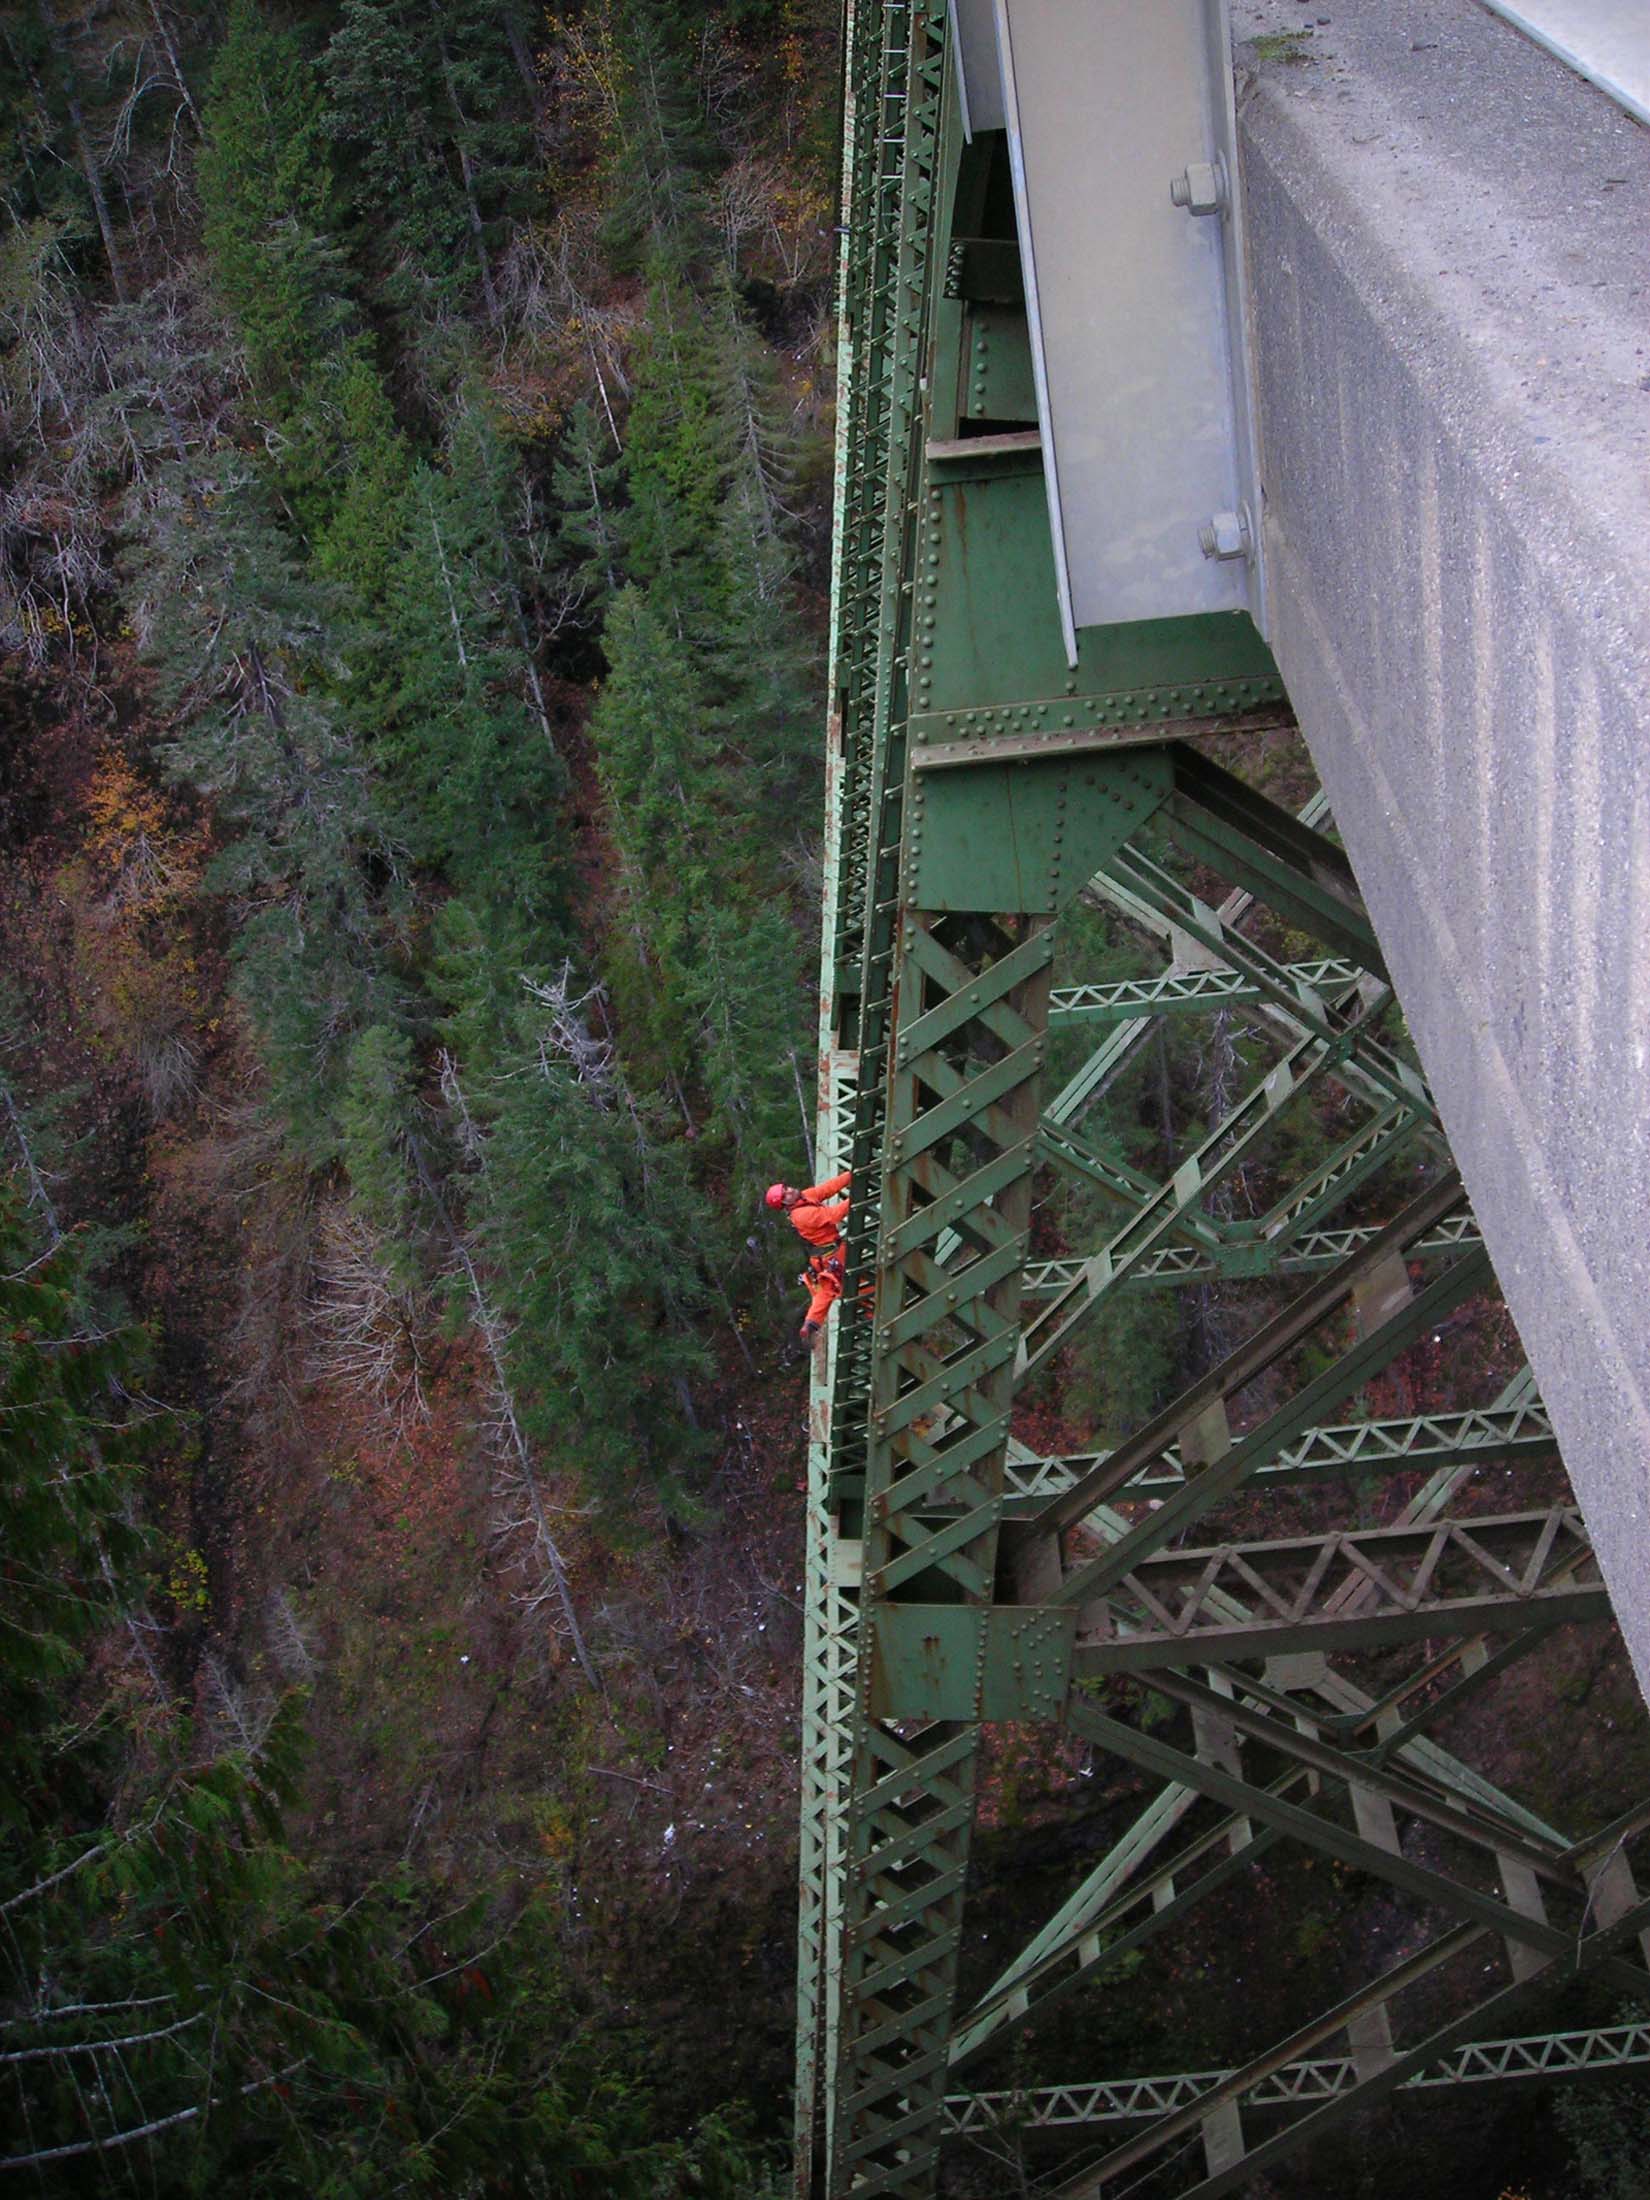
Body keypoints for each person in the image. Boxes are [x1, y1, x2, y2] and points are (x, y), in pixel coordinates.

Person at [764, 1168, 850, 1253]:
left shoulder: (802, 1197)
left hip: (836, 1243)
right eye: (784, 1196)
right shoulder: (801, 1215)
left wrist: (850, 1175)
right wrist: (857, 1195)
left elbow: (827, 1188)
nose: (790, 1191)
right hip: (835, 1252)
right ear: (784, 1204)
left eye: (786, 1188)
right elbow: (834, 1215)